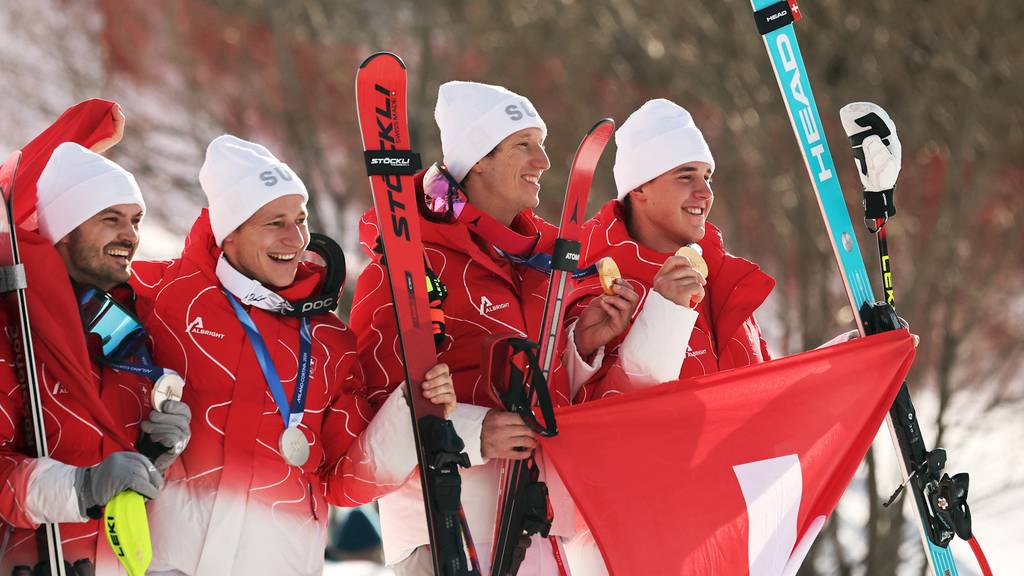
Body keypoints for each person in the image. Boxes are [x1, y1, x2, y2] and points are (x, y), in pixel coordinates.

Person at [129, 135, 456, 576]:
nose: (296, 237)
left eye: (300, 219)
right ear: (231, 231)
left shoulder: (328, 339)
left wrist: (412, 409)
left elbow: (345, 480)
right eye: (274, 222)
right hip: (161, 561)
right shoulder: (161, 296)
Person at [350, 81, 637, 575]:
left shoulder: (545, 261)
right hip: (440, 533)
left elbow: (543, 391)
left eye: (542, 144)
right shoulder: (407, 259)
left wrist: (581, 344)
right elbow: (374, 403)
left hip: (537, 529)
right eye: (524, 144)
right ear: (478, 159)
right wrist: (473, 432)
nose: (543, 161)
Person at [0, 141, 190, 575]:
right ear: (65, 230)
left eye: (136, 220)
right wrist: (77, 488)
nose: (131, 235)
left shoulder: (129, 331)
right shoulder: (12, 323)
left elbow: (116, 465)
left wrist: (154, 448)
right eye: (111, 219)